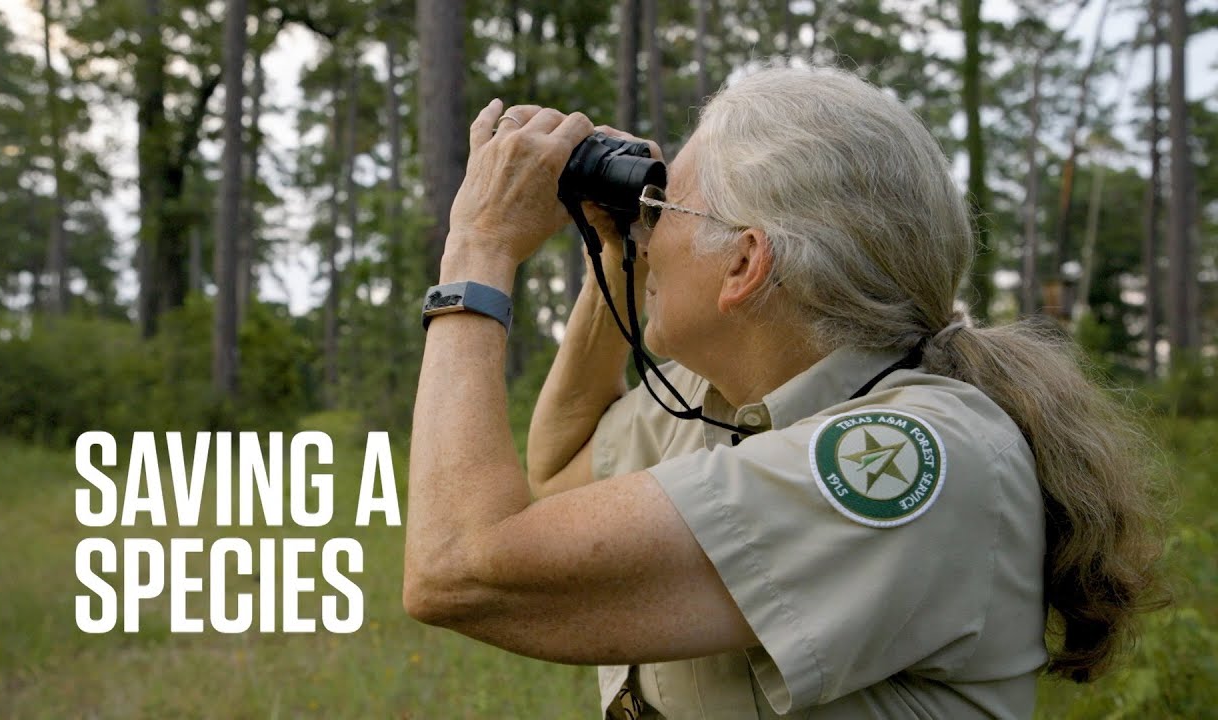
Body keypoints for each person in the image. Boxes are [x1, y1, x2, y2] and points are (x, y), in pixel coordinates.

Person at [404, 64, 1165, 719]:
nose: (648, 225)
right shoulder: (730, 400)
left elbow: (458, 566)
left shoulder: (911, 455)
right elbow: (562, 460)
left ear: (744, 264)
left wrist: (479, 246)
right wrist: (622, 253)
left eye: (665, 207)